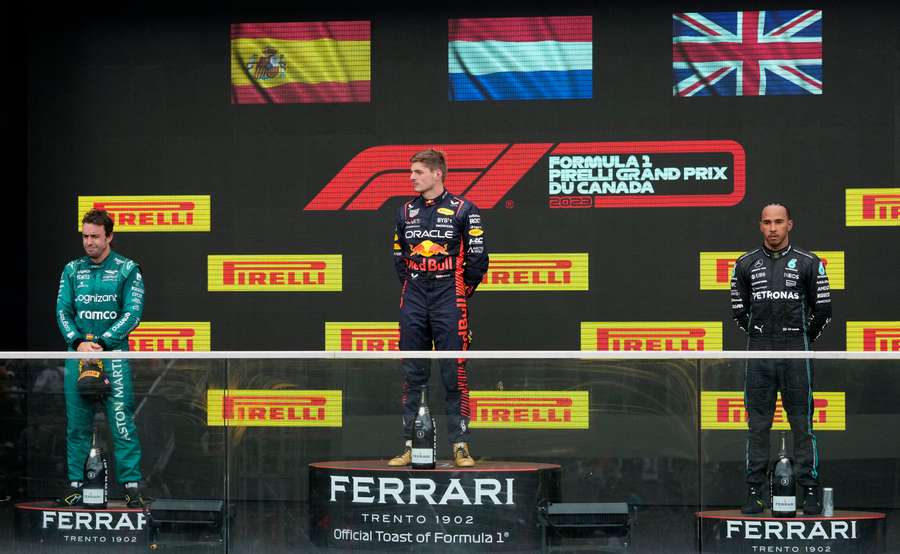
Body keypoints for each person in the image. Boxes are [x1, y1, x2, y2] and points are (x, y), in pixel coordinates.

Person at [388, 148, 489, 468]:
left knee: (453, 372)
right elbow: (399, 259)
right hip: (415, 297)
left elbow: (478, 260)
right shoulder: (404, 212)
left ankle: (460, 444)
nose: (412, 177)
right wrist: (416, 283)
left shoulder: (465, 210)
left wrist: (458, 291)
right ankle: (409, 443)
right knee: (412, 373)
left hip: (449, 296)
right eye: (411, 172)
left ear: (437, 174)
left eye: (418, 172)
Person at [731, 203, 831, 515]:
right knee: (757, 426)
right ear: (759, 226)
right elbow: (739, 310)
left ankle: (810, 493)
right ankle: (755, 493)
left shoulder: (809, 262)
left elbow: (824, 310)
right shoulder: (745, 263)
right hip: (759, 354)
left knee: (803, 425)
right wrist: (760, 335)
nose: (773, 228)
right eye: (767, 223)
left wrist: (800, 339)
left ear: (790, 224)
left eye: (779, 222)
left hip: (795, 354)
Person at [55, 209, 146, 507]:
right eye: (85, 236)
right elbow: (63, 312)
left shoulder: (127, 268)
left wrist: (104, 342)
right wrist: (78, 342)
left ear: (109, 236)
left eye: (95, 236)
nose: (89, 242)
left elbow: (133, 314)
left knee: (121, 423)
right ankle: (75, 486)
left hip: (114, 355)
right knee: (77, 425)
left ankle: (132, 488)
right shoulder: (71, 270)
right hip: (79, 355)